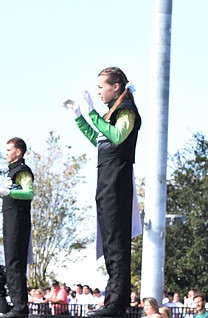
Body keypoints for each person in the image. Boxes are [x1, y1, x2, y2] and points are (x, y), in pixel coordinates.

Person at [64, 66, 141, 317]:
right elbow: (98, 139)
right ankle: (111, 300)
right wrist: (79, 117)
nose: (98, 92)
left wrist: (93, 113)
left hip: (118, 183)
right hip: (105, 183)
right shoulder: (110, 114)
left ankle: (118, 303)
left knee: (117, 244)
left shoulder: (126, 111)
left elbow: (117, 137)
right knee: (109, 243)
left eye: (101, 87)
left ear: (115, 87)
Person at [0, 137, 35, 317]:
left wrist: (8, 192)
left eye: (8, 150)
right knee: (10, 262)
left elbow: (29, 193)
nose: (6, 153)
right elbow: (9, 193)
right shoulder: (9, 172)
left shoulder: (23, 171)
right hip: (9, 218)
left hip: (19, 220)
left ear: (18, 152)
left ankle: (20, 307)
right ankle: (16, 304)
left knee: (15, 263)